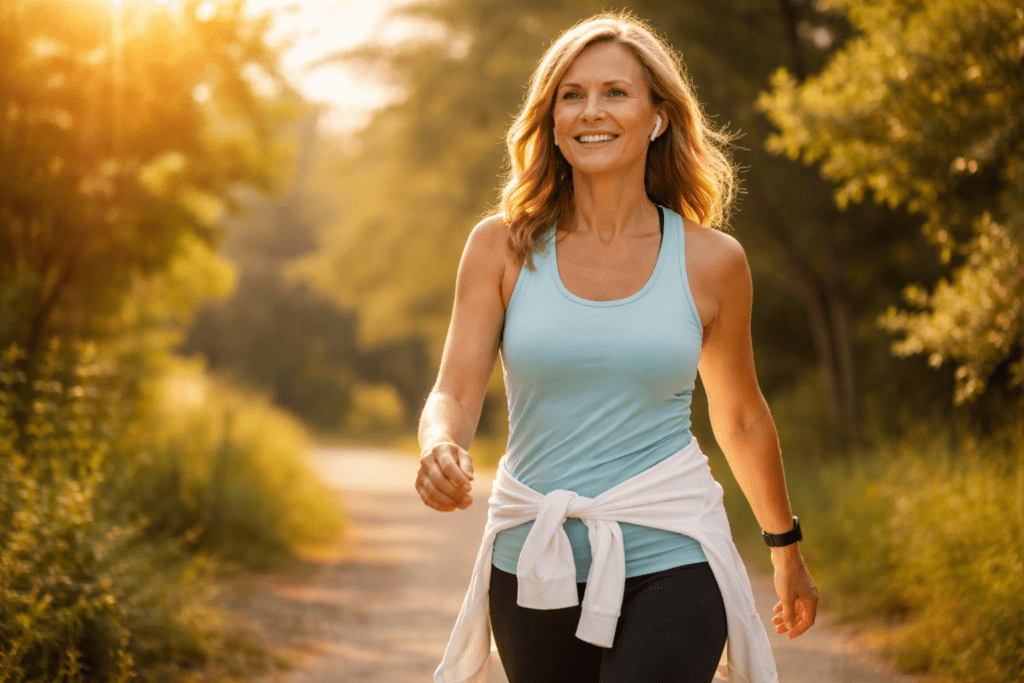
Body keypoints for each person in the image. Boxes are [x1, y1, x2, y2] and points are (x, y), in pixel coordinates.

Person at [415, 12, 818, 683]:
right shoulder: (502, 246)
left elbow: (741, 414)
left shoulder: (712, 261)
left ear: (657, 116)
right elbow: (453, 390)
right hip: (535, 555)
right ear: (549, 117)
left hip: (674, 546)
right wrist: (438, 444)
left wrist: (785, 548)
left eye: (615, 93)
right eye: (571, 94)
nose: (590, 111)